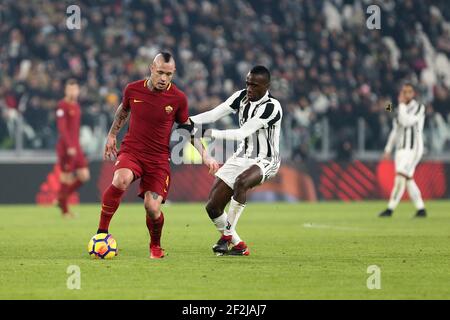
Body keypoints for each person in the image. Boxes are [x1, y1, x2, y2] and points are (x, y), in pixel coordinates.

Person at [98, 52, 218, 259]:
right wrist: (111, 135)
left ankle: (155, 245)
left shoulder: (178, 98)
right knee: (120, 179)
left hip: (158, 159)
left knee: (152, 207)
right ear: (152, 68)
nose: (164, 78)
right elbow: (123, 110)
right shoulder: (133, 89)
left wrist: (205, 155)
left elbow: (188, 128)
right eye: (160, 72)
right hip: (132, 151)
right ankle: (101, 234)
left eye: (169, 74)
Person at [190, 66, 283, 256]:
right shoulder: (241, 97)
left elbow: (242, 132)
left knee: (242, 182)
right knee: (213, 207)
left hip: (266, 160)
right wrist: (189, 120)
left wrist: (206, 133)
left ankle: (226, 237)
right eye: (247, 83)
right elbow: (214, 114)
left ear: (266, 86)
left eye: (254, 85)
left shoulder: (272, 107)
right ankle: (239, 246)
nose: (249, 88)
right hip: (242, 156)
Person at [379, 83, 427, 218]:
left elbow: (406, 122)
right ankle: (421, 209)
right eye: (403, 92)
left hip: (413, 148)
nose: (406, 94)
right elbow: (395, 128)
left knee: (400, 176)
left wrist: (399, 105)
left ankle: (390, 209)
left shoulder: (419, 107)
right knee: (408, 179)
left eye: (409, 92)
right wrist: (388, 148)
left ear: (413, 94)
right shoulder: (397, 108)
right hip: (400, 149)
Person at [56, 79, 90, 218]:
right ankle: (65, 211)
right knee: (66, 177)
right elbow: (62, 128)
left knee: (84, 175)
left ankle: (61, 199)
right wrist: (69, 145)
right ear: (66, 90)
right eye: (70, 89)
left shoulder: (76, 105)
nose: (73, 92)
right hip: (66, 147)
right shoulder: (62, 106)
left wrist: (76, 144)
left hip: (77, 146)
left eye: (75, 89)